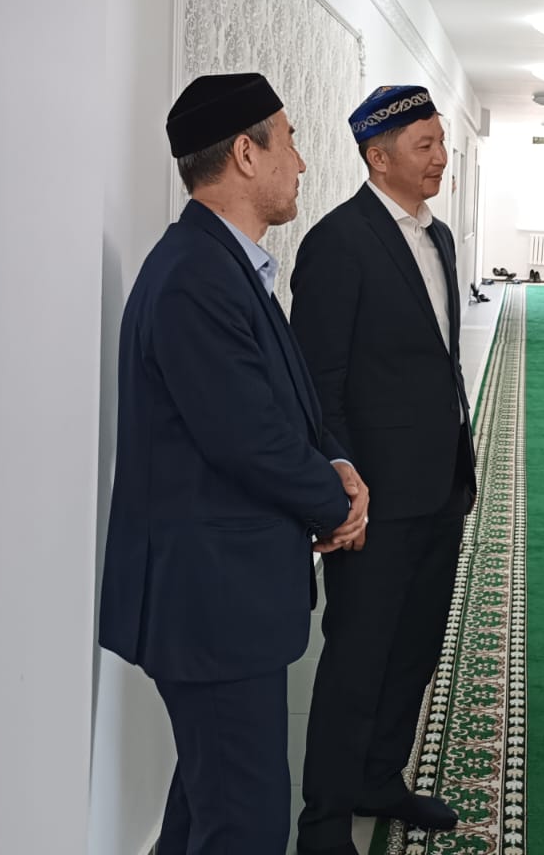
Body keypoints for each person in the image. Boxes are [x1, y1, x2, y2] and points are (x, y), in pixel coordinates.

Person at [97, 73, 369, 855]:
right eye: (289, 142)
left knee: (204, 809)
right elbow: (248, 439)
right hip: (212, 603)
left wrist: (335, 463)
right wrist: (339, 503)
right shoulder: (195, 277)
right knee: (244, 825)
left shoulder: (221, 264)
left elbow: (284, 408)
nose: (302, 163)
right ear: (246, 154)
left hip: (223, 597)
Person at [292, 85, 475, 855]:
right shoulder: (339, 243)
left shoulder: (439, 238)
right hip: (375, 498)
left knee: (415, 649)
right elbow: (319, 386)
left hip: (441, 486)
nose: (441, 158)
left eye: (442, 142)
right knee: (357, 660)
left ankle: (380, 778)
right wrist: (339, 486)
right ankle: (324, 821)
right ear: (378, 156)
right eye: (425, 145)